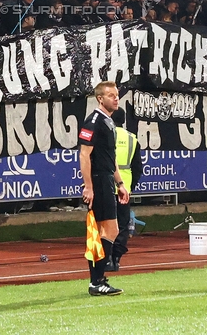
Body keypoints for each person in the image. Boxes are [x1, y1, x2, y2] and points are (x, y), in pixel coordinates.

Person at [79, 81, 129, 296]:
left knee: (103, 232)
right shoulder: (94, 121)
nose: (116, 98)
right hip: (99, 180)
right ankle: (97, 280)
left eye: (116, 95)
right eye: (111, 95)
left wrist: (120, 183)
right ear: (100, 99)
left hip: (107, 179)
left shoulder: (108, 122)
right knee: (107, 230)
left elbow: (112, 158)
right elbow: (84, 154)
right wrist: (89, 186)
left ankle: (97, 280)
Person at [106, 108, 141, 272]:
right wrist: (130, 187)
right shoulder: (132, 139)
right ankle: (117, 259)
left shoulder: (106, 135)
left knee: (106, 223)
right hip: (124, 189)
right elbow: (138, 168)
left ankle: (106, 259)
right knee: (122, 224)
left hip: (106, 186)